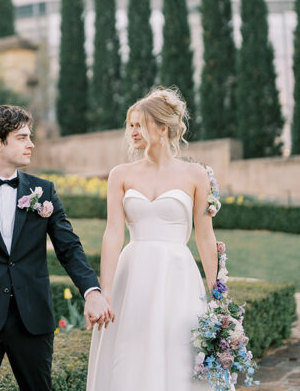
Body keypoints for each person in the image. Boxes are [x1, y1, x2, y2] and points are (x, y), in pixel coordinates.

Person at [0, 104, 113, 391]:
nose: (31, 144)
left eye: (30, 137)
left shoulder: (44, 191)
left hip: (32, 320)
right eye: (21, 137)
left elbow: (69, 248)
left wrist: (92, 292)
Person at [86, 87, 221, 390]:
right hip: (132, 274)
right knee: (130, 350)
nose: (132, 131)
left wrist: (218, 294)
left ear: (162, 129)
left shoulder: (196, 174)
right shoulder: (121, 174)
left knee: (177, 352)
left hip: (177, 273)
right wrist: (105, 290)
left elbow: (205, 237)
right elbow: (113, 233)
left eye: (139, 124)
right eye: (130, 124)